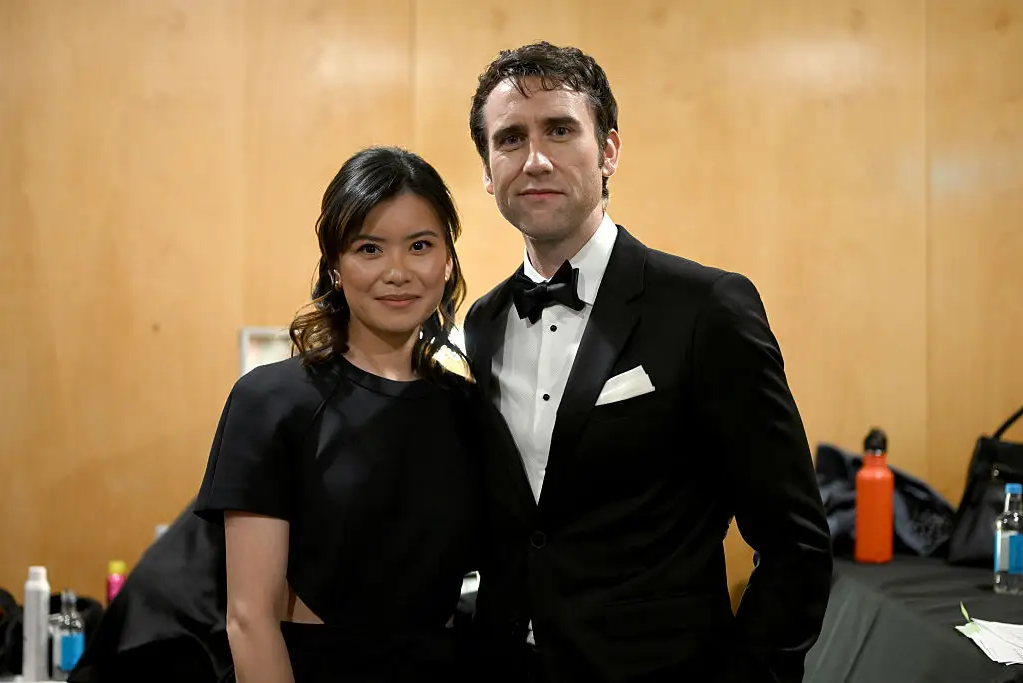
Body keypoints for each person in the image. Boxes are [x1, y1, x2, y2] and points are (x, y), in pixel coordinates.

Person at [462, 42, 833, 683]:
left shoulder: (706, 308)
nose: (536, 159)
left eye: (560, 129)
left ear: (608, 150)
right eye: (510, 139)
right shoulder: (484, 322)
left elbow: (796, 541)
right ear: (489, 174)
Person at [193, 146, 483, 683]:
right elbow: (249, 618)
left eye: (420, 245)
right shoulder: (271, 401)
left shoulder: (470, 411)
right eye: (369, 248)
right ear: (334, 264)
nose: (397, 272)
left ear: (447, 261)